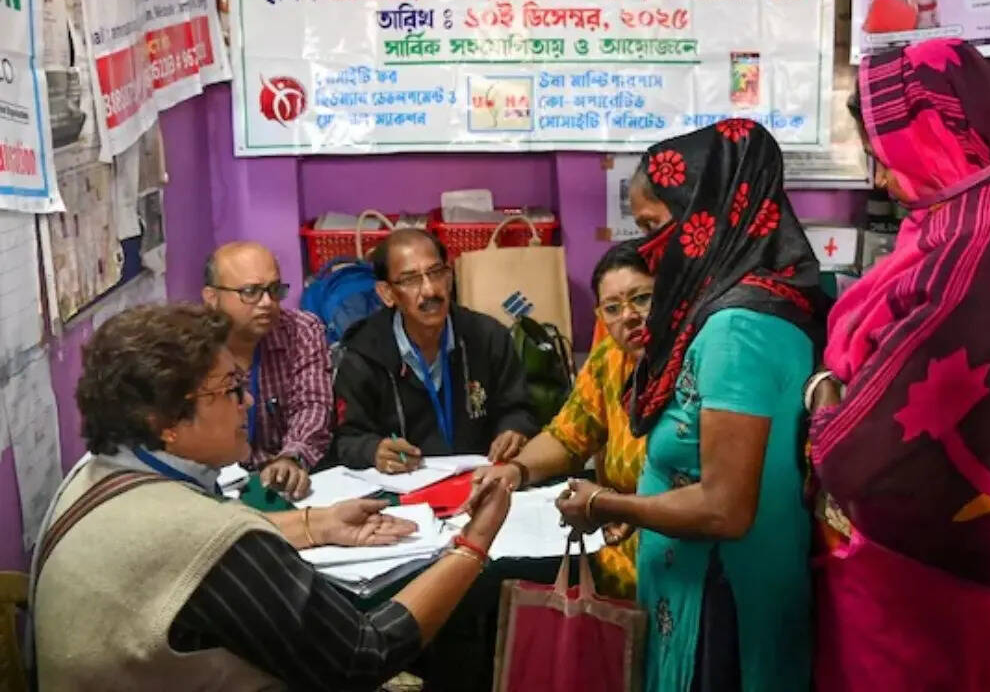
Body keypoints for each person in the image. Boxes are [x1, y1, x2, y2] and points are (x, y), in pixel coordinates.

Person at [809, 39, 990, 691]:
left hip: (916, 574)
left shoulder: (967, 253)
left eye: (887, 159)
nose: (880, 181)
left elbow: (864, 444)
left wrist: (824, 398)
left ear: (934, 142)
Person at [30, 303, 513, 691]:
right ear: (167, 423)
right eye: (230, 390)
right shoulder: (206, 537)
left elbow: (176, 552)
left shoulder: (91, 474)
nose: (249, 402)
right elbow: (362, 658)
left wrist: (314, 524)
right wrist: (472, 544)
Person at [553, 120, 827, 692]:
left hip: (721, 599)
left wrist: (605, 503)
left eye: (654, 228)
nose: (648, 252)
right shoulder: (762, 302)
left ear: (707, 217)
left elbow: (724, 508)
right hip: (715, 584)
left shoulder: (736, 329)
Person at [471, 242, 652, 599]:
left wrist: (611, 505)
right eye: (612, 308)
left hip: (677, 553)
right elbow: (568, 436)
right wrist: (514, 471)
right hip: (618, 564)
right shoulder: (609, 360)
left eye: (642, 299)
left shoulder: (695, 362)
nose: (629, 316)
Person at [330, 229, 538, 471]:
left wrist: (514, 429)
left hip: (481, 478)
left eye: (436, 273)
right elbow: (347, 439)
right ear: (387, 293)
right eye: (410, 280)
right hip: (405, 484)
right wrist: (372, 450)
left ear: (449, 278)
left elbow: (520, 409)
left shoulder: (488, 336)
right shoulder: (363, 354)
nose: (429, 290)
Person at [202, 241, 330, 500]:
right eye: (250, 292)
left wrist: (292, 458)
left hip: (285, 482)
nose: (267, 302)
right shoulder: (192, 347)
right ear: (212, 298)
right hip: (215, 486)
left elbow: (312, 405)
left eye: (274, 290)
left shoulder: (301, 330)